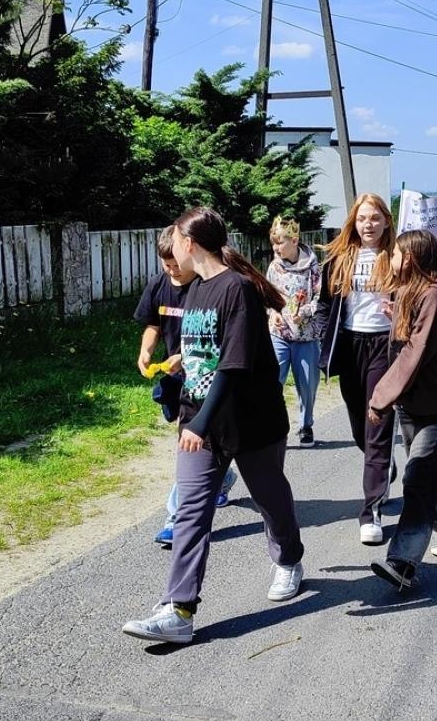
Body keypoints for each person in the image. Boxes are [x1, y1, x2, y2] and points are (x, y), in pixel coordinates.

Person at [122, 207, 306, 645]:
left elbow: (235, 363)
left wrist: (200, 422)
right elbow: (204, 353)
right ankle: (179, 610)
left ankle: (289, 560)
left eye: (176, 243)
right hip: (200, 421)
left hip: (250, 421)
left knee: (269, 498)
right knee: (191, 510)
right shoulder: (194, 291)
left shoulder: (237, 289)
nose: (171, 254)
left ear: (190, 244)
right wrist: (181, 384)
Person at [366, 230, 437, 590]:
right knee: (433, 465)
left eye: (394, 253)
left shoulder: (436, 293)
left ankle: (403, 561)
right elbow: (412, 338)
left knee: (418, 474)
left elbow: (416, 352)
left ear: (409, 258)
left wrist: (380, 397)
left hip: (434, 402)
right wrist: (399, 316)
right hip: (413, 401)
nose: (390, 258)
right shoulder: (416, 292)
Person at [135, 225, 235, 548]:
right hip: (177, 376)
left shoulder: (208, 285)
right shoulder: (158, 286)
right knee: (193, 444)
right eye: (166, 265)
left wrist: (187, 355)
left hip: (207, 375)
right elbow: (153, 323)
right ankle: (224, 479)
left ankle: (174, 519)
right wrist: (146, 351)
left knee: (188, 444)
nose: (173, 270)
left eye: (176, 263)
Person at [315, 193, 399, 544]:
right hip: (349, 346)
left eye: (375, 218)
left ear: (386, 222)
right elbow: (323, 305)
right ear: (354, 222)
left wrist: (400, 315)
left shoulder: (396, 257)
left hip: (384, 345)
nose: (369, 225)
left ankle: (371, 510)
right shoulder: (339, 260)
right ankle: (382, 466)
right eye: (363, 218)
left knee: (377, 421)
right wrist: (323, 337)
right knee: (359, 430)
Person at [265, 215, 322, 447]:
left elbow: (321, 298)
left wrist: (305, 312)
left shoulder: (313, 266)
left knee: (307, 384)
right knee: (272, 381)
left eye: (280, 242)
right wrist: (273, 313)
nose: (276, 248)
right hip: (279, 334)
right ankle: (272, 426)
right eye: (273, 243)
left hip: (305, 336)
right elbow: (267, 296)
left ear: (295, 240)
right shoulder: (274, 267)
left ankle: (305, 425)